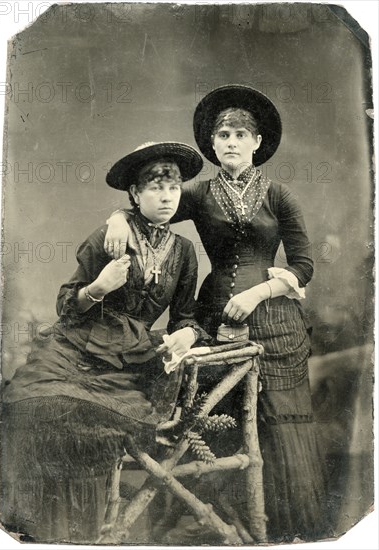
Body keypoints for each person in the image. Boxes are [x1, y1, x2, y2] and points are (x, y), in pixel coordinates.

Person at [104, 85, 328, 543]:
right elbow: (149, 204)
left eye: (240, 134)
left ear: (257, 143)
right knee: (212, 417)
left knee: (279, 423)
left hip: (275, 320)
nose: (230, 141)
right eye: (222, 134)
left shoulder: (279, 194)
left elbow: (304, 265)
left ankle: (290, 530)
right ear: (212, 143)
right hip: (212, 318)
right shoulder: (200, 192)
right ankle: (211, 519)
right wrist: (115, 218)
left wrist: (260, 292)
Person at [0, 141, 209, 544]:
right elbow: (66, 305)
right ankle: (37, 524)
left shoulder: (183, 251)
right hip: (76, 345)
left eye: (173, 189)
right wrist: (99, 286)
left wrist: (186, 332)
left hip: (131, 357)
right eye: (154, 188)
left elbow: (186, 315)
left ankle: (84, 526)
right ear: (134, 194)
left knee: (91, 416)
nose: (166, 197)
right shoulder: (110, 235)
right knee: (31, 404)